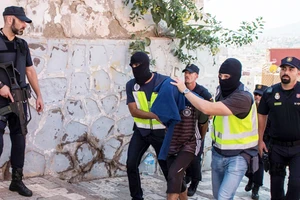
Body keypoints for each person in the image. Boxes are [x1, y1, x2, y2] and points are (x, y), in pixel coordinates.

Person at [171, 58, 259, 199]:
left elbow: (207, 108)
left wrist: (185, 91)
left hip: (239, 155)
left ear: (237, 76)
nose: (222, 80)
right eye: (220, 76)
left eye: (226, 77)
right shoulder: (221, 91)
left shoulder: (243, 97)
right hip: (218, 153)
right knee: (218, 196)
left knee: (223, 197)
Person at [0, 6, 44, 197]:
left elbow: (30, 71)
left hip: (19, 101)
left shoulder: (22, 44)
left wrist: (39, 95)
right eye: (22, 21)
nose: (25, 25)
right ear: (10, 19)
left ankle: (16, 181)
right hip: (0, 101)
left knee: (19, 140)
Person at [125, 51, 168, 200]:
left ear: (146, 65)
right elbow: (133, 111)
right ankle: (136, 197)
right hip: (141, 132)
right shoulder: (131, 85)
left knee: (168, 169)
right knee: (131, 164)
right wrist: (156, 115)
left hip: (161, 133)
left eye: (138, 65)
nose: (135, 68)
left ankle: (177, 196)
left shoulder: (164, 82)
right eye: (133, 65)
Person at [258, 56, 300, 200]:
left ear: (298, 73)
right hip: (276, 147)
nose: (286, 72)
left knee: (296, 184)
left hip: (298, 147)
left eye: (290, 69)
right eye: (283, 69)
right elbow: (262, 115)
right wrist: (260, 140)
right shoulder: (270, 92)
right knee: (276, 187)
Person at [180, 64, 213, 197]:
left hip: (197, 130)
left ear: (196, 76)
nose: (187, 75)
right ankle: (188, 176)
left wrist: (202, 119)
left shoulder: (202, 91)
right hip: (183, 128)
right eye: (186, 73)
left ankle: (195, 182)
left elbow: (211, 109)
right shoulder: (180, 89)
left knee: (195, 156)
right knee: (184, 155)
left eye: (190, 73)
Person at [244, 84, 268, 200]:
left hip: (262, 141)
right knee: (246, 164)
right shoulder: (249, 106)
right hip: (248, 140)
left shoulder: (269, 109)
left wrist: (263, 141)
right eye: (256, 94)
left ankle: (256, 188)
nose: (257, 97)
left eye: (260, 95)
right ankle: (250, 179)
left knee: (259, 165)